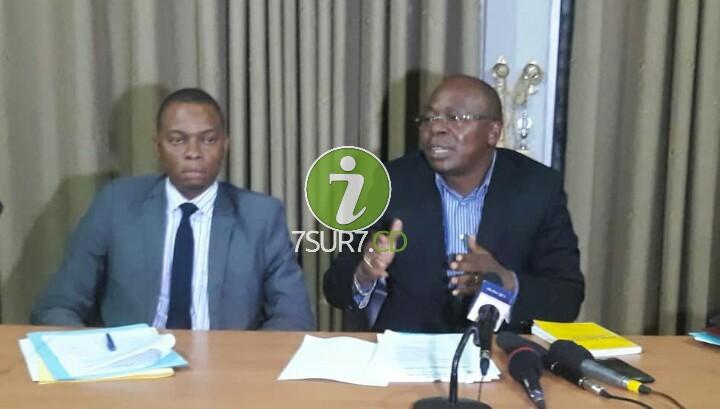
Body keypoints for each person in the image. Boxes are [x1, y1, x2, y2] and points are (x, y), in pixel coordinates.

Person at [31, 88, 313, 330]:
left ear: (225, 144)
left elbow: (293, 318)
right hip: (132, 366)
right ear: (158, 146)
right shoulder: (117, 204)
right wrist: (98, 355)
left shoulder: (261, 216)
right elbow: (57, 306)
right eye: (178, 140)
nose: (193, 152)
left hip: (227, 366)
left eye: (208, 140)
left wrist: (240, 362)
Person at [323, 75, 584, 333]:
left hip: (501, 350)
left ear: (493, 132)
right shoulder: (387, 184)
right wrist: (365, 273)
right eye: (429, 119)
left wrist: (504, 281)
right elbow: (335, 287)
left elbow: (567, 296)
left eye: (455, 118)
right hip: (407, 348)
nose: (436, 128)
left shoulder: (537, 188)